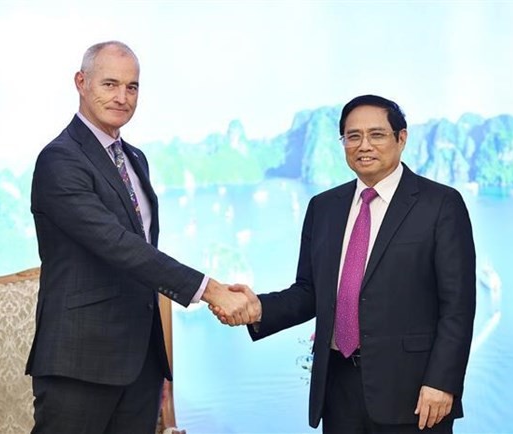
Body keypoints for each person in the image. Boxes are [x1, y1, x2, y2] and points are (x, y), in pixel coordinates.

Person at [26, 40, 252, 434]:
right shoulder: (59, 159)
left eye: (132, 87)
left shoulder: (135, 158)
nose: (122, 97)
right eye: (110, 84)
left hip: (140, 363)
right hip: (80, 361)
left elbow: (143, 251)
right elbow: (118, 245)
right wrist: (210, 289)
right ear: (81, 82)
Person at [217, 95, 476, 433]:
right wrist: (257, 309)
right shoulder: (323, 208)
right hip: (338, 387)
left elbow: (458, 305)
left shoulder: (440, 204)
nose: (363, 145)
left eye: (376, 134)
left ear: (402, 138)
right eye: (353, 136)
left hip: (413, 394)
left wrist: (443, 382)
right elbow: (310, 292)